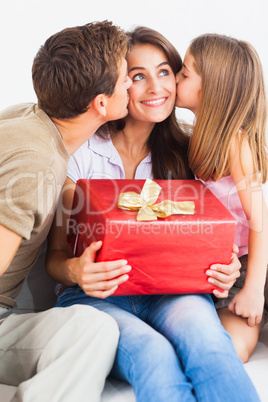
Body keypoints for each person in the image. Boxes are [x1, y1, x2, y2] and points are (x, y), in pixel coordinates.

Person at [46, 27, 260, 401]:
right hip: (94, 296)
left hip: (172, 292)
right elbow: (56, 258)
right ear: (117, 85)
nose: (155, 87)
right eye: (137, 76)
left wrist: (224, 270)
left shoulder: (190, 155)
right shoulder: (81, 154)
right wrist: (77, 271)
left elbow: (214, 237)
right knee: (153, 354)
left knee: (211, 347)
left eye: (165, 72)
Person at [0, 20, 133, 402]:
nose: (130, 85)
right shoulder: (37, 164)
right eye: (126, 77)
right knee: (93, 329)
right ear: (101, 103)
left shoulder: (25, 118)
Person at [176, 33, 268, 363]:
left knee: (233, 349)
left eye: (184, 73)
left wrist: (254, 289)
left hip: (248, 266)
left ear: (212, 89)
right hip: (219, 265)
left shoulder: (236, 144)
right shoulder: (196, 137)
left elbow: (260, 220)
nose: (175, 78)